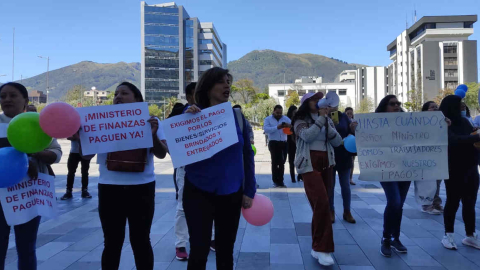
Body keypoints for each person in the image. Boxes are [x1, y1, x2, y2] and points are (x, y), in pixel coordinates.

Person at [182, 67, 256, 270]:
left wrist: (249, 190)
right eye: (221, 82)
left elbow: (248, 156)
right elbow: (177, 150)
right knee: (198, 249)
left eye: (228, 82)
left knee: (225, 250)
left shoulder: (238, 118)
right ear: (207, 87)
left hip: (231, 192)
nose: (227, 86)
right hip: (197, 191)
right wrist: (187, 121)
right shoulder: (189, 115)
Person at [96, 82, 168, 270]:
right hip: (109, 188)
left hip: (141, 188)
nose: (118, 96)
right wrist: (82, 138)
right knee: (112, 242)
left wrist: (152, 135)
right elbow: (86, 155)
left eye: (124, 93)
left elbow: (161, 154)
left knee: (141, 240)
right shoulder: (100, 123)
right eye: (116, 94)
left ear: (137, 99)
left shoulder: (153, 122)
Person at [0, 82, 63, 270]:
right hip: (1, 197)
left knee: (27, 248)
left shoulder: (40, 124)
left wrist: (34, 155)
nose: (7, 100)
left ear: (25, 100)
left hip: (29, 195)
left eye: (13, 95)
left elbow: (56, 154)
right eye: (3, 96)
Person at [293, 92, 342, 266]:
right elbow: (307, 136)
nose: (318, 102)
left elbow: (338, 143)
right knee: (321, 203)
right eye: (314, 99)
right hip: (308, 164)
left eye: (318, 99)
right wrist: (322, 120)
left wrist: (331, 128)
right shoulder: (299, 120)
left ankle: (317, 245)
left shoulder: (327, 119)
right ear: (307, 103)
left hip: (327, 162)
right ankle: (323, 249)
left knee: (322, 206)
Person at [440, 95, 480, 250]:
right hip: (454, 168)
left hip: (471, 167)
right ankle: (448, 235)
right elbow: (454, 140)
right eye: (460, 104)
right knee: (453, 202)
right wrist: (475, 137)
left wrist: (474, 134)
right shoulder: (443, 124)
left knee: (470, 203)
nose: (463, 106)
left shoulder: (465, 121)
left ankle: (470, 235)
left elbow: (470, 139)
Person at [375, 95, 410, 257]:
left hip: (406, 168)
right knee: (394, 202)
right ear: (384, 106)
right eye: (392, 104)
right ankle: (386, 238)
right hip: (386, 168)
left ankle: (395, 238)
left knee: (399, 204)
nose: (396, 106)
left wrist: (441, 126)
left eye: (398, 104)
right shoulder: (375, 124)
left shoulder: (408, 122)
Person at [328, 98, 356, 224]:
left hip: (344, 156)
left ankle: (347, 211)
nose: (332, 107)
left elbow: (351, 133)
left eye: (334, 105)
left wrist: (353, 128)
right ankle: (331, 211)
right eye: (329, 105)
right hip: (330, 157)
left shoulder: (344, 117)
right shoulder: (323, 118)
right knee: (330, 186)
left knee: (345, 186)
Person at [413, 101, 443, 215]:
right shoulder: (418, 122)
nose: (435, 109)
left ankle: (436, 203)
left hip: (437, 156)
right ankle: (426, 205)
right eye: (432, 107)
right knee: (427, 182)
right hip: (423, 157)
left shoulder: (441, 121)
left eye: (436, 107)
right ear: (425, 110)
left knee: (437, 182)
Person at [264, 105, 291, 187]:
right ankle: (276, 181)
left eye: (280, 113)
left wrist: (288, 126)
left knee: (282, 162)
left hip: (283, 143)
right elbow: (266, 129)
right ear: (274, 111)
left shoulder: (285, 119)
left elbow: (292, 127)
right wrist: (277, 127)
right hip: (273, 143)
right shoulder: (268, 119)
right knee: (275, 162)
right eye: (277, 113)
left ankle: (281, 180)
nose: (279, 114)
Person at [287, 105, 301, 183]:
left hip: (298, 142)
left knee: (300, 160)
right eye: (294, 112)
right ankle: (293, 177)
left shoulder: (298, 119)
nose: (295, 113)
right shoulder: (287, 120)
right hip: (290, 142)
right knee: (291, 160)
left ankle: (300, 175)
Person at [345, 107, 356, 185]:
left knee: (352, 161)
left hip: (353, 144)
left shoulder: (355, 122)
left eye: (350, 113)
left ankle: (350, 178)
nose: (349, 115)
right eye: (347, 113)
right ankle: (347, 177)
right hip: (346, 144)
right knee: (348, 161)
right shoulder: (343, 122)